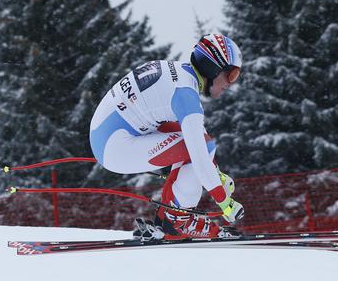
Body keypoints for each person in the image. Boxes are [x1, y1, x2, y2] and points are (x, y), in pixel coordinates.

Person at [88, 33, 245, 240]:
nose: (230, 83)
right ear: (213, 67)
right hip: (115, 146)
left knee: (199, 140)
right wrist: (225, 202)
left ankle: (168, 220)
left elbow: (189, 136)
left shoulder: (178, 72)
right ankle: (178, 222)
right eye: (231, 75)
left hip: (108, 135)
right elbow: (199, 153)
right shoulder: (186, 95)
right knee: (203, 147)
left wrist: (214, 174)